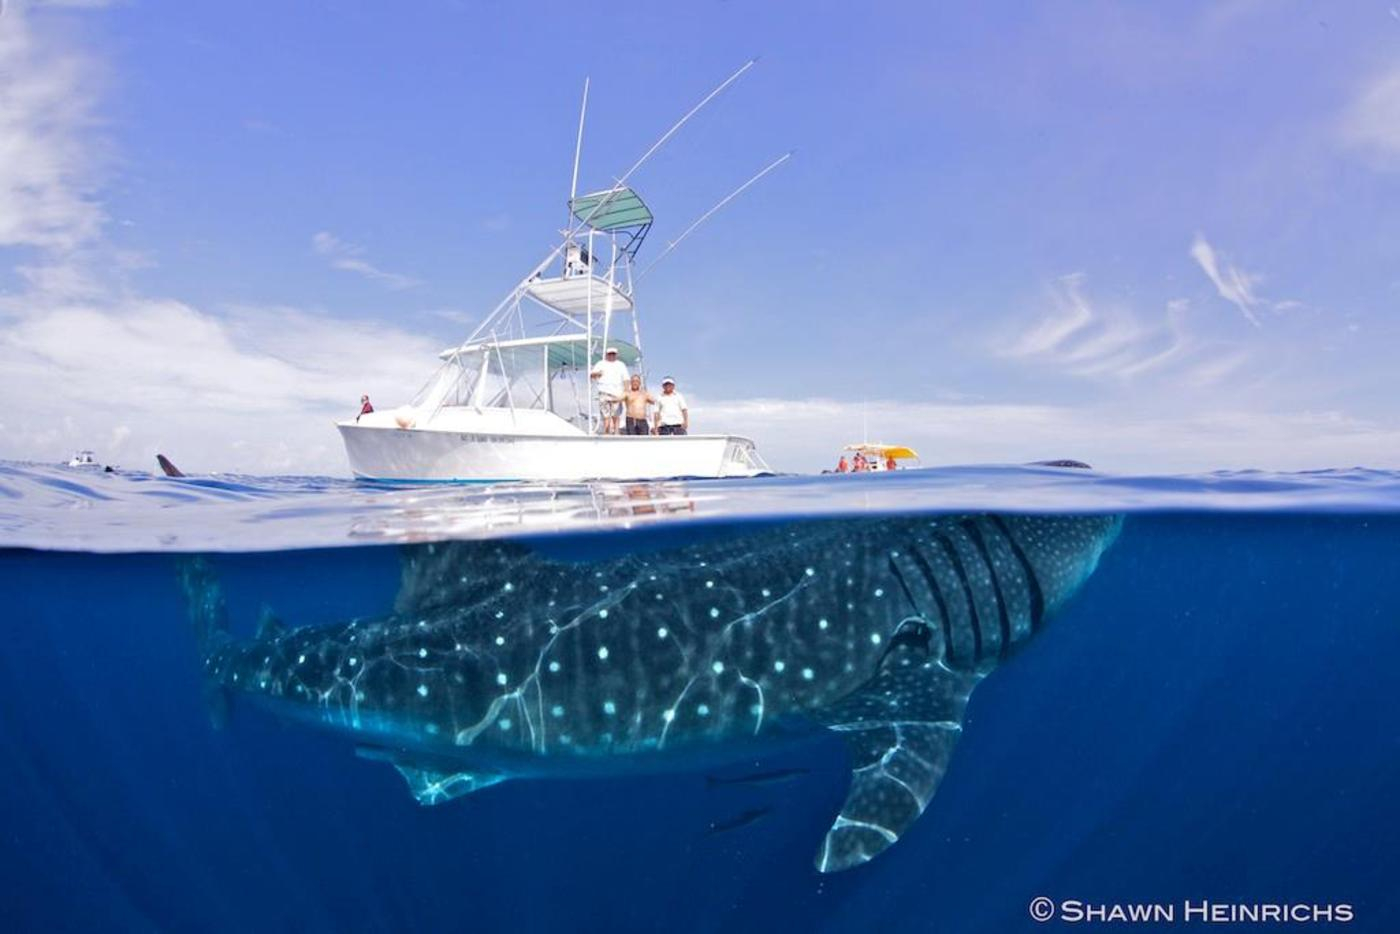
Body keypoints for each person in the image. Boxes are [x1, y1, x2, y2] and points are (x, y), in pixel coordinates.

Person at [589, 347, 629, 435]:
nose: (611, 355)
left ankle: (616, 432)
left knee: (616, 414)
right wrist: (597, 374)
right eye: (610, 354)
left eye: (613, 354)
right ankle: (606, 432)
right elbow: (592, 375)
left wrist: (626, 392)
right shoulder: (600, 363)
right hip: (603, 392)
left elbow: (626, 379)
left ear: (616, 355)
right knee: (606, 415)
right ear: (606, 354)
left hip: (617, 393)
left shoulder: (621, 365)